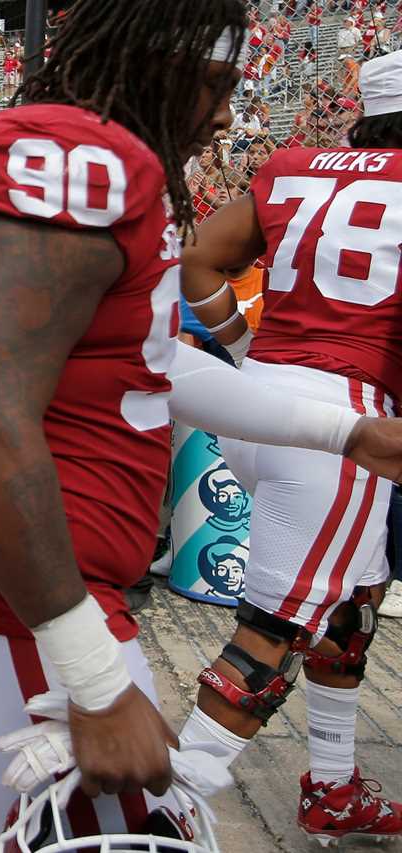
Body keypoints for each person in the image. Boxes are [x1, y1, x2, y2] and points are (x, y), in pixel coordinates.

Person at [0, 2, 402, 849]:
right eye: (217, 83)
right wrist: (91, 675)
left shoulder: (57, 147)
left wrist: (344, 434)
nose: (226, 113)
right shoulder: (86, 163)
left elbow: (142, 361)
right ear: (158, 58)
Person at [175, 50, 402, 845]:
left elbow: (200, 257)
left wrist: (244, 354)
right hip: (345, 428)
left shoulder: (297, 166)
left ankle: (334, 786)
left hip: (260, 406)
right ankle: (161, 814)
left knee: (350, 608)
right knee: (269, 637)